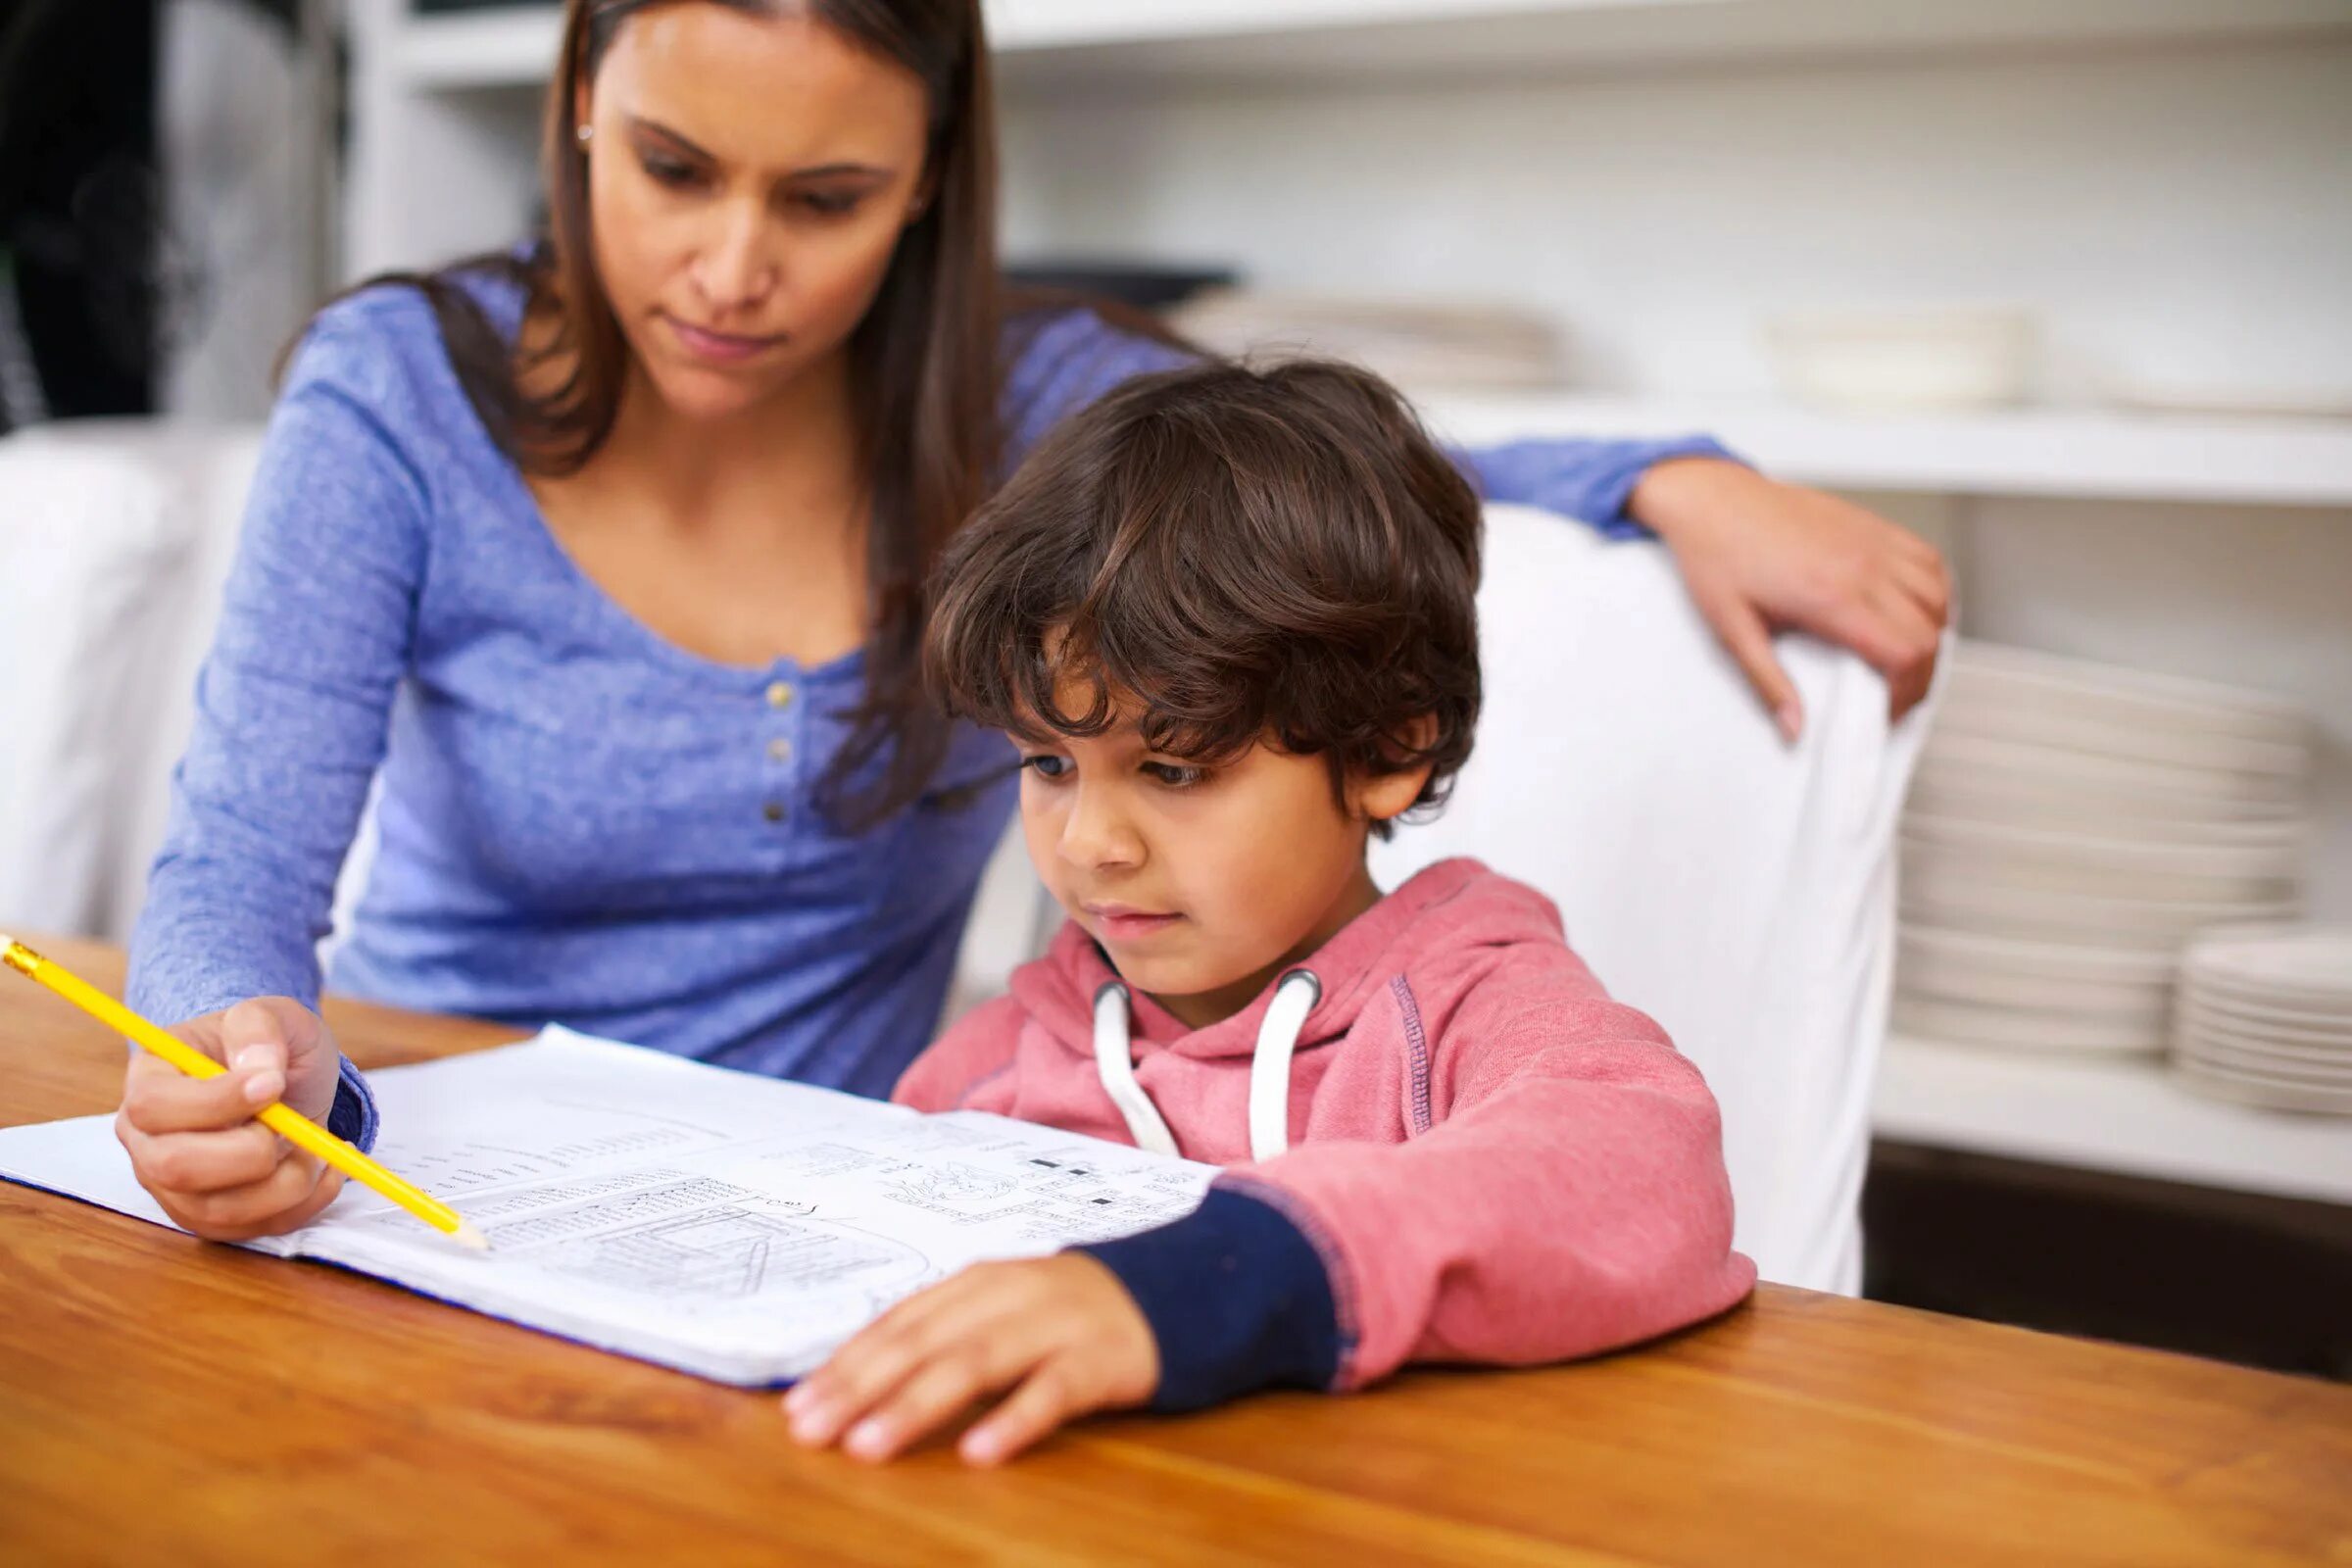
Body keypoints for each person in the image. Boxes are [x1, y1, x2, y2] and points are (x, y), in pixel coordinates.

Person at [114, 0, 1944, 1245]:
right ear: (576, 109)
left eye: (826, 200)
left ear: (925, 189)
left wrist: (1670, 474)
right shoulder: (400, 396)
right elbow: (236, 873)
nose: (734, 269)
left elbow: (1321, 474)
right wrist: (240, 1057)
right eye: (672, 169)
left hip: (830, 1205)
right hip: (427, 1172)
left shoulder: (1020, 407)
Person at [787, 357, 1755, 1466]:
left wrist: (1236, 1274)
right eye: (1049, 763)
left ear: (1393, 744)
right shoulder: (998, 1064)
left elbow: (1642, 1167)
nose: (1089, 841)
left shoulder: (1468, 1002)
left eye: (1176, 770)